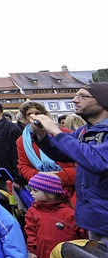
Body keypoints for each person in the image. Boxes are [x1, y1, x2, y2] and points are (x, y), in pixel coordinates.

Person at [31, 83, 108, 243]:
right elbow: (62, 153)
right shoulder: (85, 131)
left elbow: (97, 162)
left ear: (102, 101)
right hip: (95, 216)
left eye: (82, 96)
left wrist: (57, 131)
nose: (75, 100)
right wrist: (41, 136)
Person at [16, 101, 76, 197]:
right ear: (25, 118)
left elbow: (77, 160)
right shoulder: (22, 141)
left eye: (37, 113)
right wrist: (43, 176)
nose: (33, 116)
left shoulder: (63, 133)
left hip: (68, 186)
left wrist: (59, 176)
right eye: (29, 114)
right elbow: (23, 166)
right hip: (42, 189)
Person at [25, 173, 85, 258]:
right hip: (43, 256)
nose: (31, 193)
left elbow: (82, 235)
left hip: (66, 256)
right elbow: (31, 233)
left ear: (50, 193)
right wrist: (32, 251)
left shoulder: (69, 213)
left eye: (35, 190)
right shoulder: (32, 212)